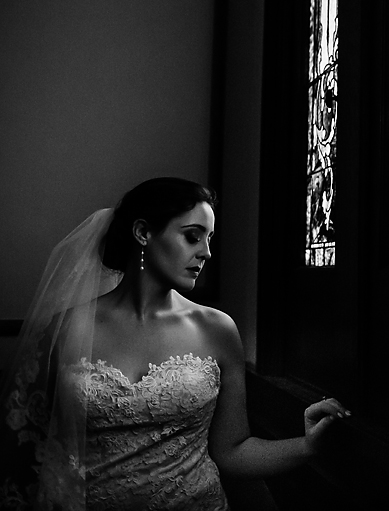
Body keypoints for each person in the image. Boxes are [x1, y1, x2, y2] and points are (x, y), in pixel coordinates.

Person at [0, 177, 350, 510]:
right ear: (142, 233)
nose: (207, 253)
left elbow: (232, 452)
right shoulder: (65, 328)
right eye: (193, 236)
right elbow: (24, 444)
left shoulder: (216, 329)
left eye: (210, 238)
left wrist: (307, 445)